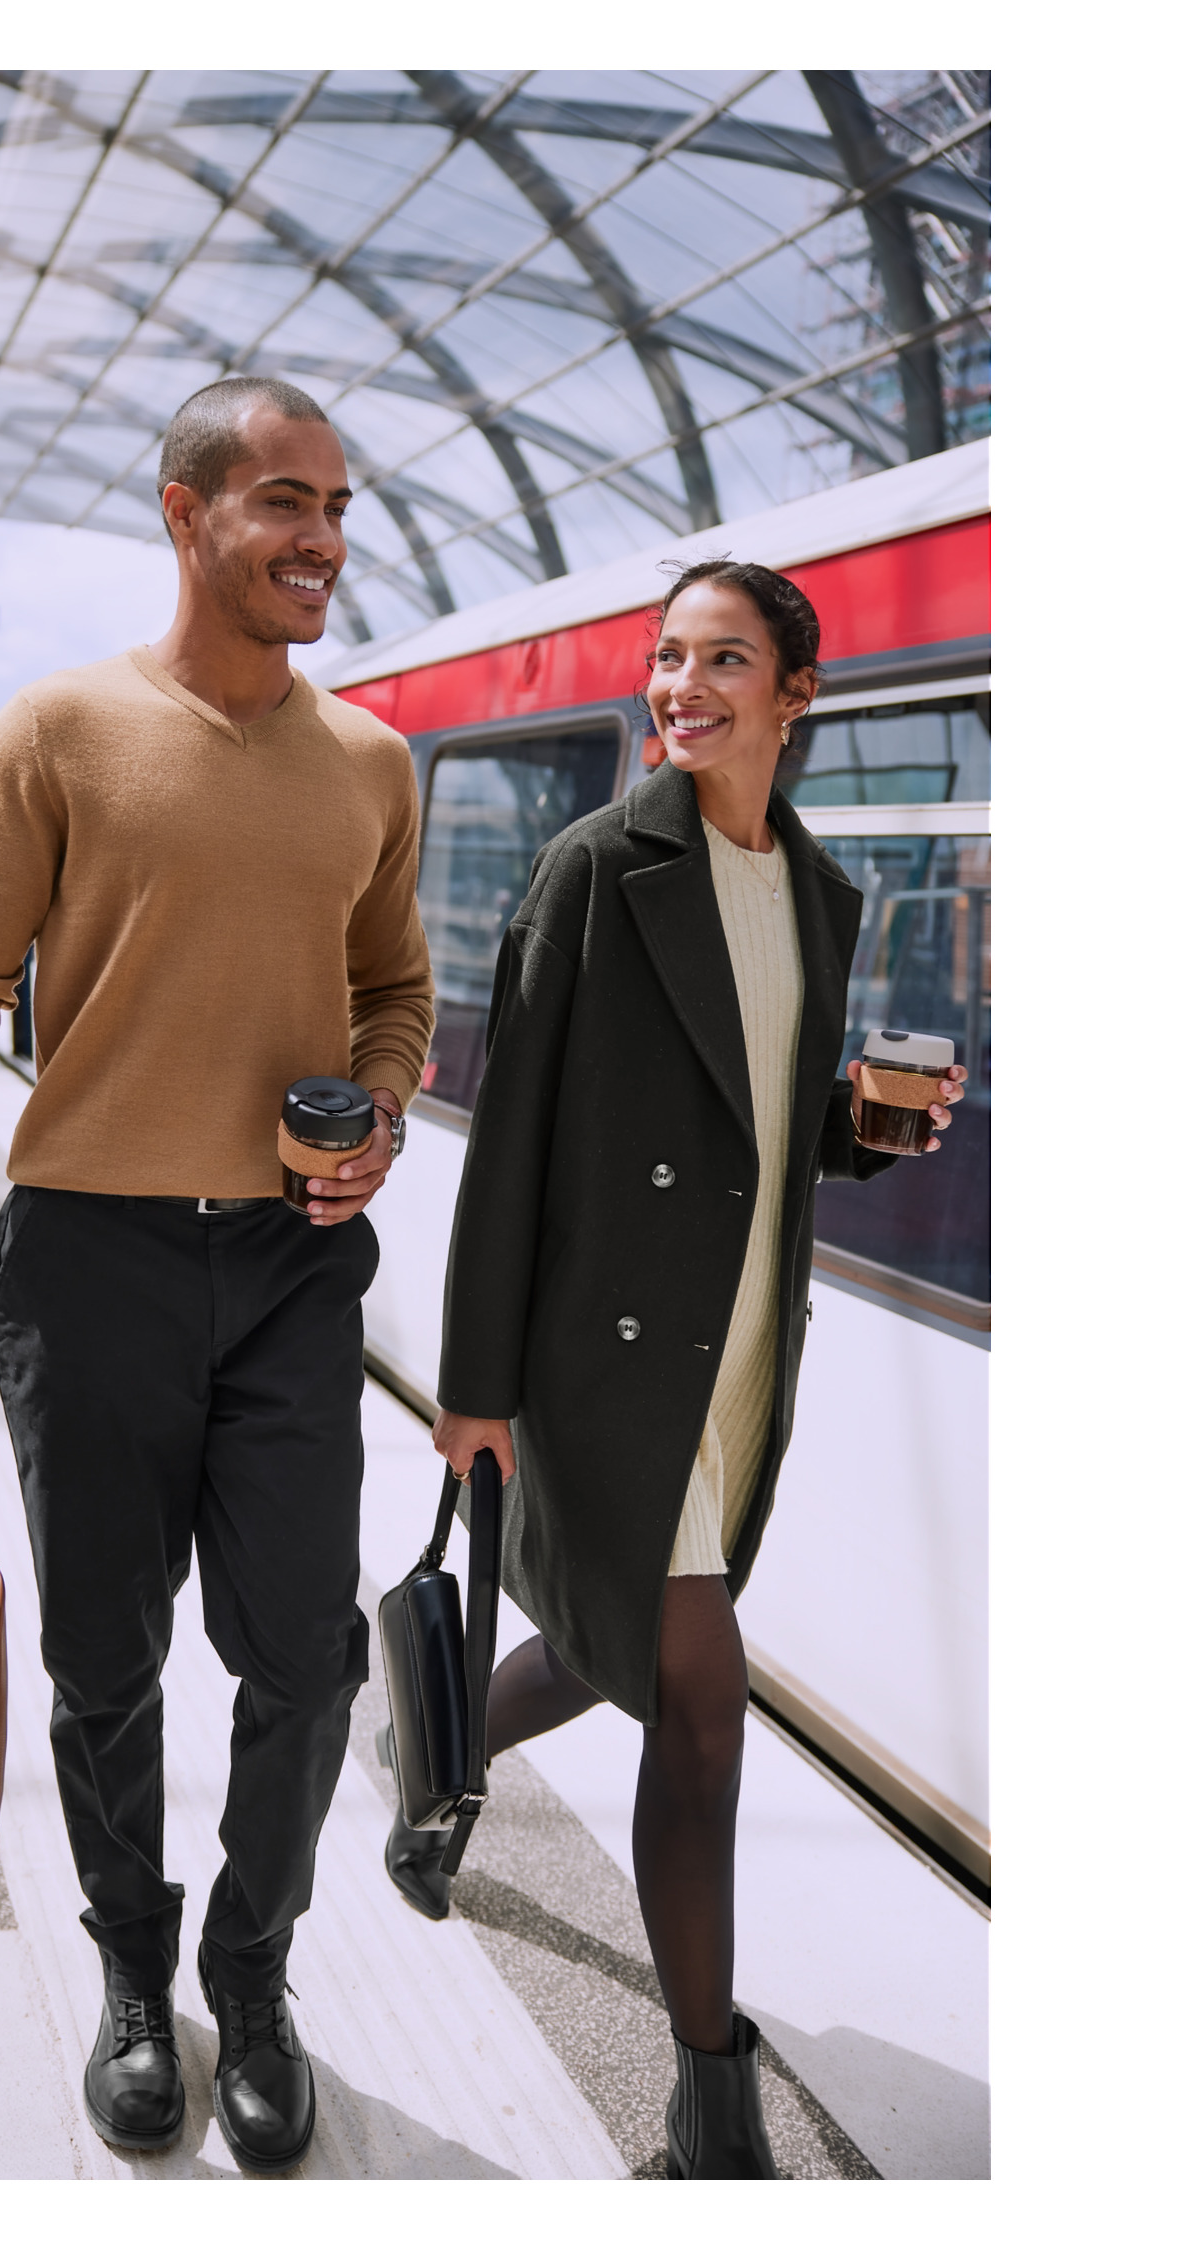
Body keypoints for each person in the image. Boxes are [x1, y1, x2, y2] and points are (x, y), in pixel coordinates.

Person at [0, 376, 433, 2171]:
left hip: (292, 1262)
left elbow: (397, 994)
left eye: (337, 507)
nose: (322, 539)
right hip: (88, 1259)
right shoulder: (58, 731)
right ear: (186, 514)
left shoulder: (372, 765)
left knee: (309, 1660)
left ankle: (248, 1972)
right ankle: (135, 1968)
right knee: (102, 1660)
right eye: (285, 502)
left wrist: (381, 1112)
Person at [402, 558, 965, 2179]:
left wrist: (863, 1128)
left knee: (612, 1651)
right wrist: (473, 1386)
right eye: (670, 656)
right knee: (703, 1708)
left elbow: (758, 1125)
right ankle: (709, 2100)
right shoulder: (597, 867)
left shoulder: (821, 893)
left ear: (798, 695)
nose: (682, 685)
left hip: (737, 1355)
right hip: (608, 1356)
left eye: (724, 660)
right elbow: (512, 1142)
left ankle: (432, 1748)